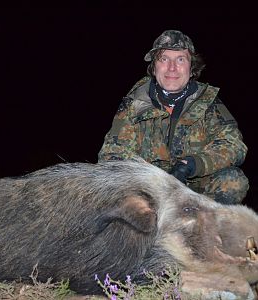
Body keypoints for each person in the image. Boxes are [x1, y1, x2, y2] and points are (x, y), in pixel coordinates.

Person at [98, 29, 249, 204]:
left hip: (194, 190)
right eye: (164, 59)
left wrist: (193, 165)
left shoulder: (210, 104)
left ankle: (201, 229)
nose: (172, 68)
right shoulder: (134, 103)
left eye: (180, 59)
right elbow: (111, 155)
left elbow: (234, 146)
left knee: (233, 181)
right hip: (148, 189)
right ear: (154, 67)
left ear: (192, 68)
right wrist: (152, 179)